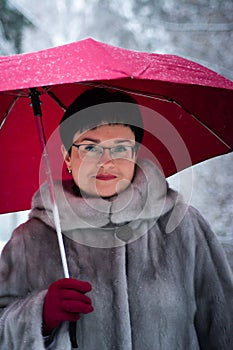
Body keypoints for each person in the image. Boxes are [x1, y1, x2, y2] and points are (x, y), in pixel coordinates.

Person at [0, 87, 232, 350]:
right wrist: (38, 316)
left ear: (135, 154)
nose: (106, 162)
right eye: (90, 147)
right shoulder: (30, 241)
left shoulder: (183, 227)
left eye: (121, 148)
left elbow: (224, 328)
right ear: (67, 157)